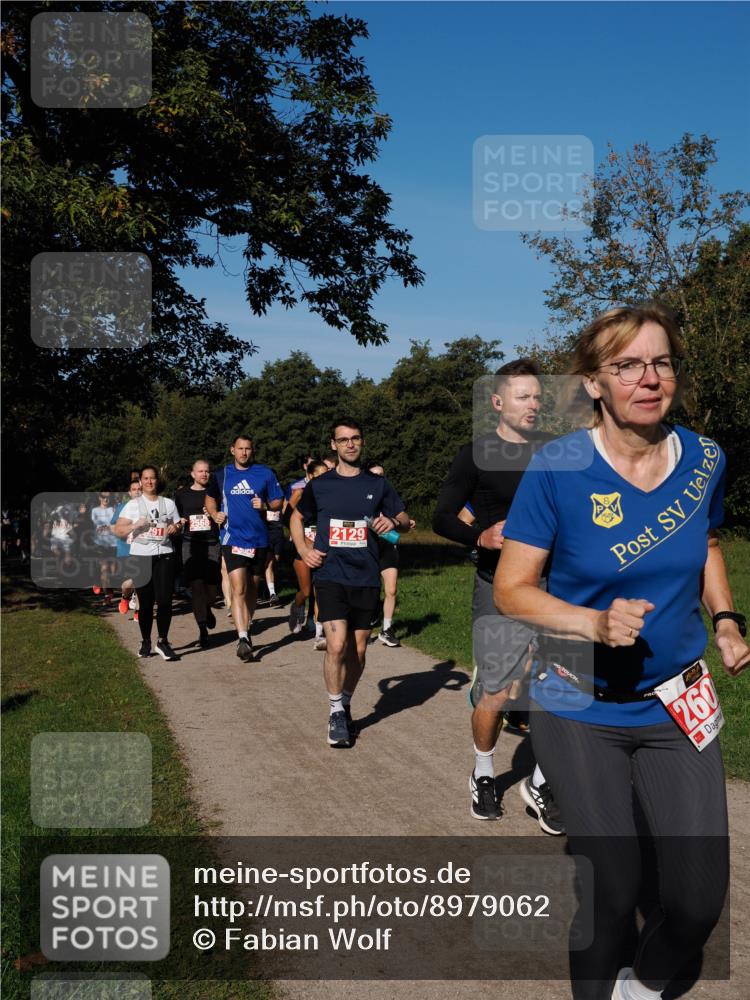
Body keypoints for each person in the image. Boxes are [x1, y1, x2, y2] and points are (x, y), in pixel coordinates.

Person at [496, 303, 748, 1000]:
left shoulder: (703, 459)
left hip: (676, 704)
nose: (649, 377)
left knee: (696, 903)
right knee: (614, 892)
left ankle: (638, 990)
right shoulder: (559, 466)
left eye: (661, 361)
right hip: (577, 700)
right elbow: (515, 590)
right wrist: (590, 623)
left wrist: (724, 619)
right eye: (627, 364)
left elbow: (708, 543)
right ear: (594, 384)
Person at [432, 359, 562, 831]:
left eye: (537, 396)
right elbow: (442, 517)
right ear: (498, 402)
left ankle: (543, 783)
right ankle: (484, 772)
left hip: (555, 586)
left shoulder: (556, 451)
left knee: (560, 687)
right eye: (524, 396)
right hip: (498, 587)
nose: (533, 403)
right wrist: (480, 537)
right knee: (498, 690)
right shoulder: (476, 454)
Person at [290, 418, 410, 748]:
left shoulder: (378, 484)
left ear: (362, 442)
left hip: (366, 577)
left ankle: (344, 703)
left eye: (355, 438)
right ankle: (334, 712)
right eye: (343, 440)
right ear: (333, 445)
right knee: (338, 644)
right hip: (330, 575)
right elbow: (297, 517)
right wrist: (304, 549)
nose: (350, 444)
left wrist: (394, 521)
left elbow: (404, 520)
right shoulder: (321, 485)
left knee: (357, 652)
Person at [204, 435, 283, 662]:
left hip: (258, 539)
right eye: (240, 449)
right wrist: (214, 513)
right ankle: (242, 638)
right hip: (233, 538)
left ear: (253, 450)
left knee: (252, 590)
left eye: (248, 448)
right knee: (238, 588)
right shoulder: (222, 475)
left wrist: (266, 505)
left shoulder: (265, 473)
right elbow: (210, 499)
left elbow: (279, 501)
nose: (244, 453)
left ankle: (246, 628)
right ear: (232, 450)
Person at [113, 466, 182, 661]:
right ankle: (145, 641)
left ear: (157, 481)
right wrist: (135, 525)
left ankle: (163, 641)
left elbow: (177, 524)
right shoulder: (132, 505)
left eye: (153, 478)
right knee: (145, 603)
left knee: (165, 600)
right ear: (140, 482)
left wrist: (175, 528)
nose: (150, 482)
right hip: (140, 557)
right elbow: (118, 530)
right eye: (146, 479)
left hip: (165, 555)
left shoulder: (168, 504)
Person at [366, 461, 416, 648]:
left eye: (382, 475)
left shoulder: (389, 497)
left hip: (387, 547)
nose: (379, 478)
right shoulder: (362, 498)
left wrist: (404, 523)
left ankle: (387, 629)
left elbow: (401, 520)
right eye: (375, 475)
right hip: (367, 548)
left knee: (392, 589)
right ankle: (366, 620)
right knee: (369, 590)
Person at [176, 460, 221, 648]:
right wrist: (180, 522)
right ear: (192, 474)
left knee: (211, 591)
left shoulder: (215, 492)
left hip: (211, 543)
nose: (204, 474)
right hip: (190, 544)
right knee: (196, 587)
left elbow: (222, 515)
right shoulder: (181, 494)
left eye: (207, 471)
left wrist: (214, 513)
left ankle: (207, 608)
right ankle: (202, 629)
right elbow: (175, 518)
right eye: (200, 471)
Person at [287, 459, 328, 643]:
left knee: (320, 589)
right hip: (302, 548)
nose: (325, 479)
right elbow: (287, 519)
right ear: (310, 476)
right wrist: (304, 542)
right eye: (320, 476)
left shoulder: (331, 494)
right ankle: (296, 607)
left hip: (322, 547)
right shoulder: (300, 494)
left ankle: (319, 632)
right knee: (306, 591)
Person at [112, 479, 142, 617]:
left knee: (141, 580)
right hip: (125, 549)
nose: (137, 491)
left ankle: (138, 611)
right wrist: (124, 531)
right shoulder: (122, 507)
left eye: (139, 489)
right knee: (128, 582)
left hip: (144, 549)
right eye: (134, 489)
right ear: (130, 493)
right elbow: (113, 526)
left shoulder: (149, 506)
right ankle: (125, 597)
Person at [90, 490, 118, 600]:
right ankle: (107, 594)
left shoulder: (113, 509)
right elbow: (96, 524)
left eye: (107, 497)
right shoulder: (95, 511)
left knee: (113, 570)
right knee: (105, 568)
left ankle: (101, 583)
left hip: (113, 543)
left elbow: (116, 523)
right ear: (99, 498)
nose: (105, 499)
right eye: (103, 497)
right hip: (100, 543)